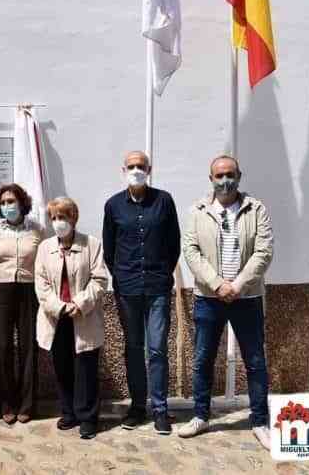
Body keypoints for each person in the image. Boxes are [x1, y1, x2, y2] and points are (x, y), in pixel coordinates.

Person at [179, 155, 274, 450]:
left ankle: (259, 421)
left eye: (230, 174)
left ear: (239, 175)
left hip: (247, 297)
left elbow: (264, 251)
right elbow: (191, 251)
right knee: (203, 359)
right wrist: (218, 284)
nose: (225, 180)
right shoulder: (198, 211)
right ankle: (200, 416)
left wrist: (237, 285)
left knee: (255, 361)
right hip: (209, 297)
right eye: (219, 175)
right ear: (211, 179)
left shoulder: (256, 209)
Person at [102, 151, 181, 435]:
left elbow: (175, 244)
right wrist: (122, 276)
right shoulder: (113, 206)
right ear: (123, 169)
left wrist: (162, 272)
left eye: (141, 166)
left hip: (158, 287)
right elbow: (109, 250)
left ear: (149, 169)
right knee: (134, 349)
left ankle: (160, 409)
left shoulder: (164, 201)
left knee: (158, 349)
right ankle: (137, 406)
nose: (136, 170)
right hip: (128, 289)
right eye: (131, 166)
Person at [35, 197, 108, 440]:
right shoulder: (45, 248)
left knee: (85, 367)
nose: (58, 223)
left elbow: (99, 279)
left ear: (73, 218)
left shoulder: (91, 244)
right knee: (62, 366)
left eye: (63, 217)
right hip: (57, 316)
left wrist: (80, 304)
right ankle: (69, 412)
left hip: (83, 315)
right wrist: (59, 307)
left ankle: (87, 416)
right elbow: (41, 283)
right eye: (54, 218)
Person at [0, 183, 43, 424]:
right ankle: (6, 403)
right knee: (4, 346)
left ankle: (27, 404)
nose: (8, 206)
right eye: (4, 203)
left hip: (30, 291)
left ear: (22, 203)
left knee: (29, 347)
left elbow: (44, 262)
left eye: (12, 201)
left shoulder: (37, 230)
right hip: (1, 290)